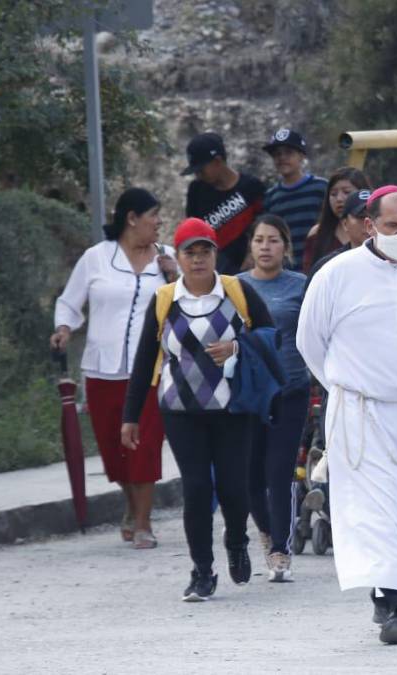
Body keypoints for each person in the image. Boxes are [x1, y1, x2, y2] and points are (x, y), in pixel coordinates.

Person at [297, 188, 397, 645]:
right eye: (394, 226)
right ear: (369, 226)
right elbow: (311, 342)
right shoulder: (337, 275)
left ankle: (387, 596)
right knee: (378, 507)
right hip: (363, 413)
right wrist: (349, 387)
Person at [121, 217, 274, 601]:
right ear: (180, 256)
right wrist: (130, 416)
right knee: (197, 488)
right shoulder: (165, 300)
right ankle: (202, 571)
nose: (198, 259)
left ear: (215, 254)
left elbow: (272, 336)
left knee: (233, 487)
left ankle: (237, 541)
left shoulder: (237, 291)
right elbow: (144, 361)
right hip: (180, 409)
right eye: (190, 252)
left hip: (233, 408)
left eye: (205, 250)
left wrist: (237, 346)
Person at [52, 188, 176, 550]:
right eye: (152, 215)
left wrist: (172, 277)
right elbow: (69, 301)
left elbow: (188, 303)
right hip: (102, 369)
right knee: (114, 448)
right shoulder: (96, 258)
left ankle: (143, 522)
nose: (158, 222)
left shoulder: (167, 258)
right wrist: (63, 328)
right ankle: (131, 504)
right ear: (131, 218)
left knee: (145, 444)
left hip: (151, 370)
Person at [237, 214, 309, 581]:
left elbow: (315, 333)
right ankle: (264, 530)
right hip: (248, 394)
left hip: (290, 390)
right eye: (259, 240)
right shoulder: (234, 286)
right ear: (251, 246)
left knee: (279, 471)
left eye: (274, 240)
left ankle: (281, 548)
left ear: (286, 247)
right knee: (250, 473)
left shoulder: (300, 285)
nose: (266, 247)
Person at [182, 132, 267, 275]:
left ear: (218, 161)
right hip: (213, 273)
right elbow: (193, 233)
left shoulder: (252, 187)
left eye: (201, 170)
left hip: (251, 271)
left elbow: (265, 226)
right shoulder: (196, 191)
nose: (198, 175)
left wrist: (252, 254)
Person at [261, 129, 327, 269]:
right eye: (277, 154)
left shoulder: (321, 188)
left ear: (302, 156)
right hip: (287, 271)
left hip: (320, 266)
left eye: (288, 152)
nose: (282, 158)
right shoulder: (271, 197)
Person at [302, 167, 370, 272]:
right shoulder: (317, 233)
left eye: (346, 192)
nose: (339, 199)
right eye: (333, 194)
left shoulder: (376, 231)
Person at [308, 188, 374, 281]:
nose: (368, 223)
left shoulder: (396, 262)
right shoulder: (327, 266)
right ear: (345, 224)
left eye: (374, 216)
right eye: (361, 217)